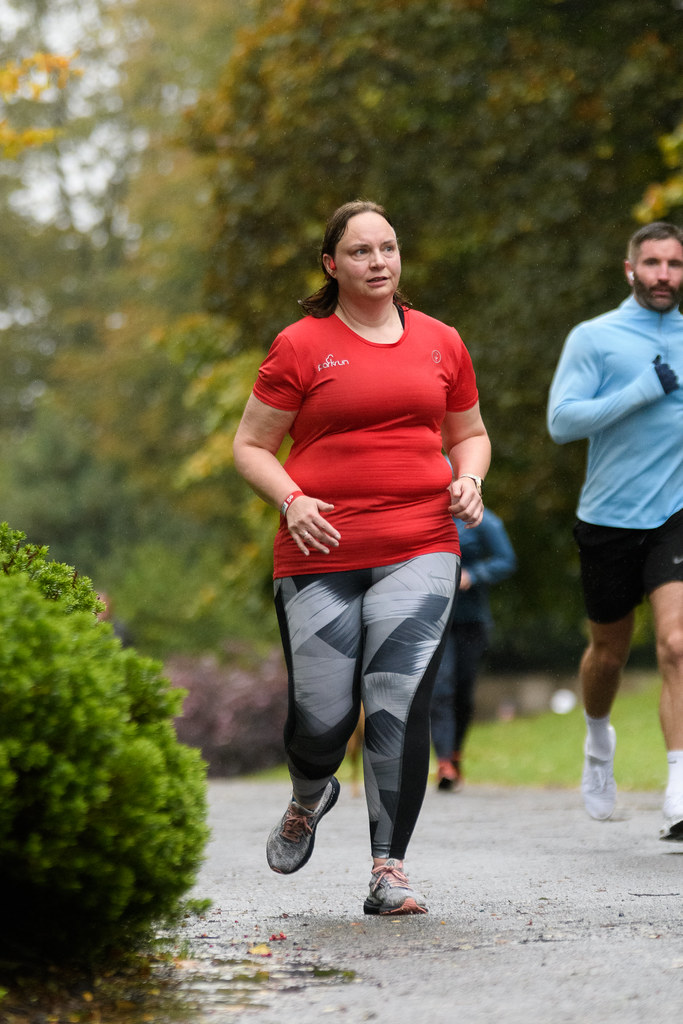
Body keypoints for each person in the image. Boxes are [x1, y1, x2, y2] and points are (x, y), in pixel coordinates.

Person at [233, 199, 491, 914]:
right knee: (320, 720)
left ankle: (388, 869)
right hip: (319, 552)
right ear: (331, 264)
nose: (378, 262)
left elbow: (469, 433)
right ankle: (309, 793)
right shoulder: (300, 346)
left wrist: (469, 479)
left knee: (396, 702)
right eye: (360, 251)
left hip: (421, 544)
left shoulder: (441, 341)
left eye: (388, 248)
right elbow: (250, 446)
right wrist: (291, 499)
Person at [547, 220, 683, 840]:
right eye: (652, 263)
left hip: (675, 517)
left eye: (674, 264)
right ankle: (598, 740)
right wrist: (641, 391)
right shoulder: (594, 338)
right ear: (631, 270)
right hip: (608, 518)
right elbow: (562, 422)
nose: (664, 275)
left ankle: (679, 790)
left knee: (677, 644)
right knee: (608, 654)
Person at [430, 507, 516, 791]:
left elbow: (506, 560)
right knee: (440, 688)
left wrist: (474, 574)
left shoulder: (484, 521)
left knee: (463, 690)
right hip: (434, 618)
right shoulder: (426, 515)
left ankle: (455, 754)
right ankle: (444, 762)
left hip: (471, 621)